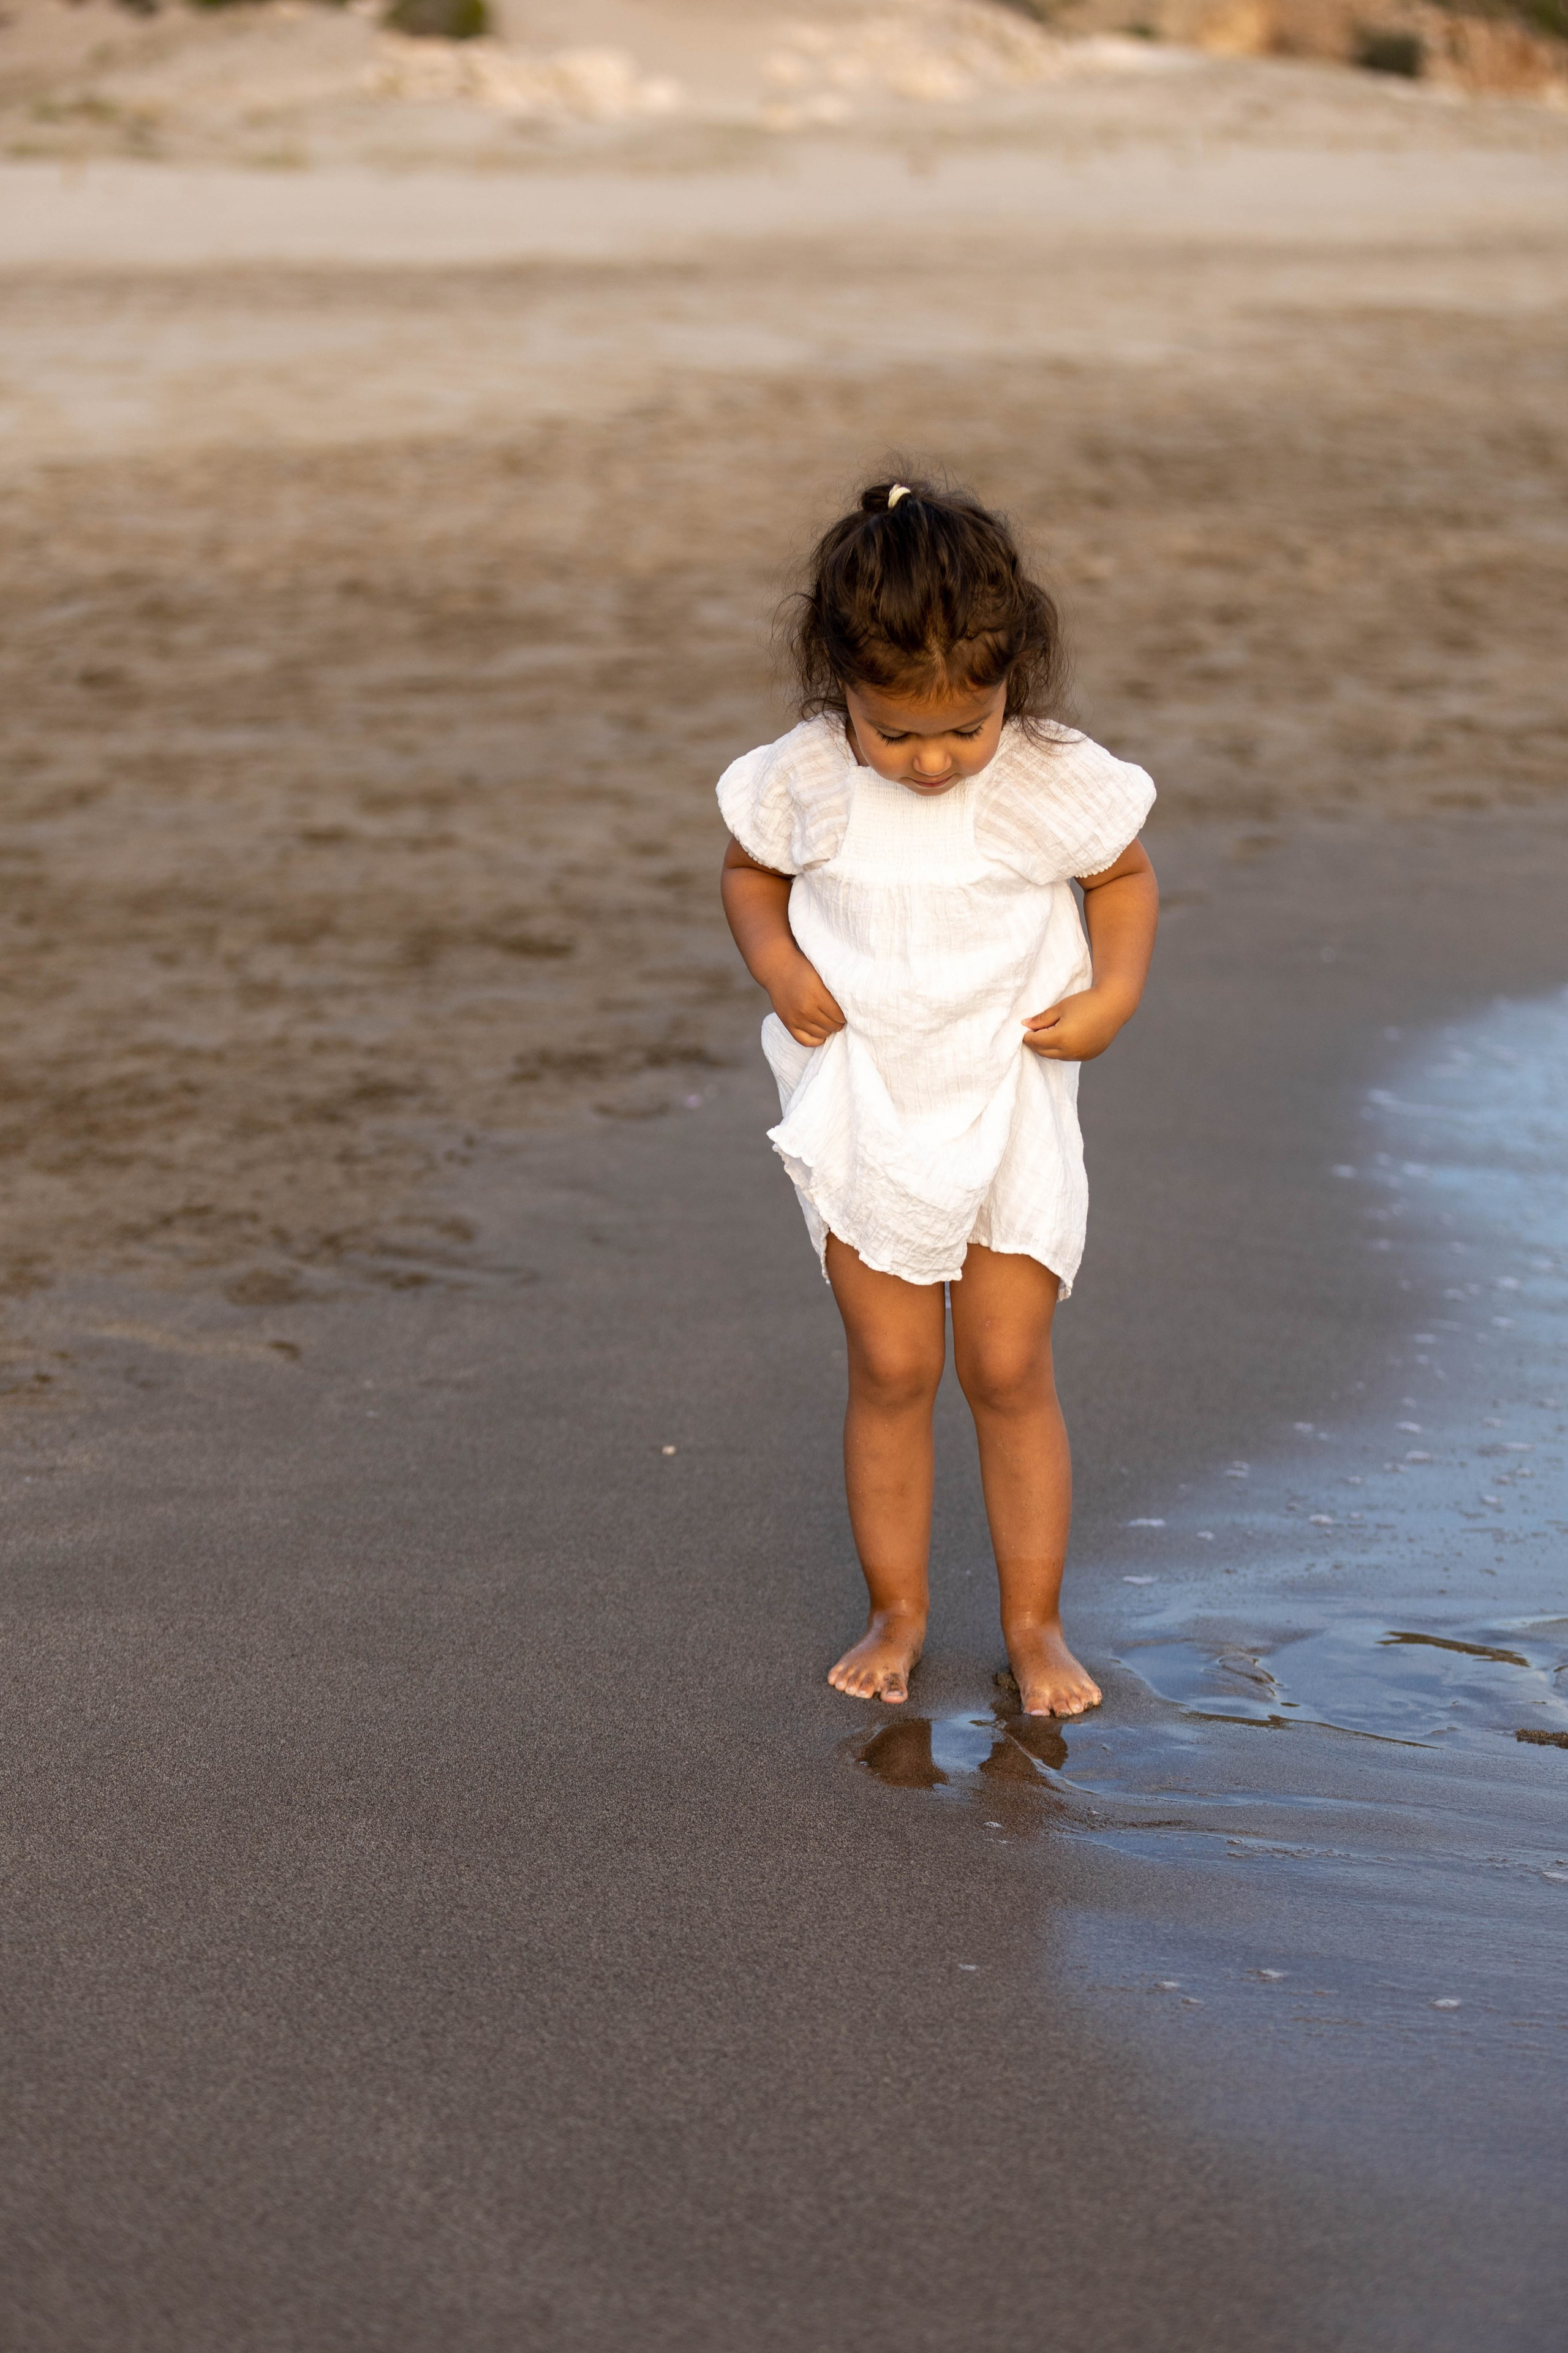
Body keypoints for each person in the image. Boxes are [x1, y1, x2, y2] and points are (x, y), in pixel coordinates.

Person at [717, 477, 1158, 1717]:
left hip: (1008, 1093)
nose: (928, 760)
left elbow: (1120, 878)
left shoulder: (1040, 777)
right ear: (834, 686)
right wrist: (778, 963)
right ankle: (897, 1607)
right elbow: (747, 871)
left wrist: (1113, 991)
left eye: (961, 727)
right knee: (893, 1363)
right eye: (893, 732)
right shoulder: (805, 775)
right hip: (864, 1098)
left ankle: (1033, 1623)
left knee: (1009, 1365)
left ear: (1009, 677)